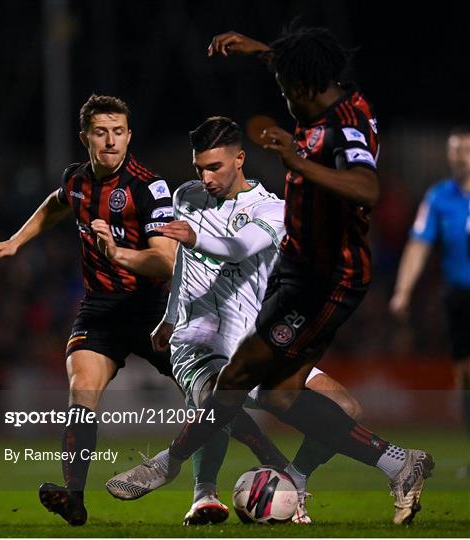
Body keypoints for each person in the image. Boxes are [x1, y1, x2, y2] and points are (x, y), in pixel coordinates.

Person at [104, 26, 434, 525]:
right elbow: (293, 67)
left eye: (286, 88)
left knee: (240, 380)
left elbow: (366, 188)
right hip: (299, 276)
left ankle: (172, 464)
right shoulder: (335, 101)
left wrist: (296, 159)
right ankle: (383, 465)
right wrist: (259, 51)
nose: (283, 96)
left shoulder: (337, 130)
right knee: (272, 392)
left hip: (327, 275)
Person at [0, 94, 178, 526]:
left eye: (118, 132)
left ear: (129, 136)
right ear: (84, 137)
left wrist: (118, 252)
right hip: (100, 311)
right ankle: (75, 498)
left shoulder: (148, 187)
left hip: (153, 312)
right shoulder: (77, 181)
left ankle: (274, 466)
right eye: (101, 133)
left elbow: (166, 260)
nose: (110, 142)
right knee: (81, 391)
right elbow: (55, 203)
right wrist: (15, 241)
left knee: (213, 394)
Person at [390, 126, 470, 476]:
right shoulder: (439, 197)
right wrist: (403, 291)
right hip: (458, 296)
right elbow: (419, 244)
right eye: (454, 150)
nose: (459, 156)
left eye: (465, 149)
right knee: (464, 375)